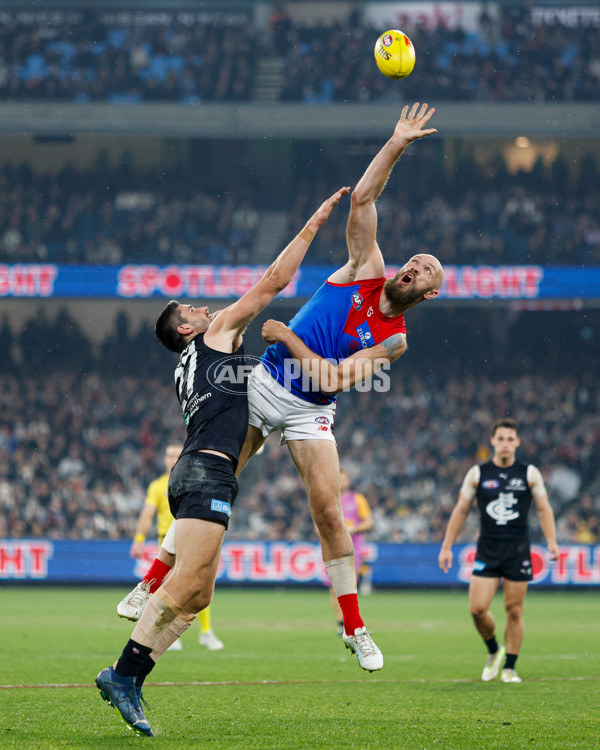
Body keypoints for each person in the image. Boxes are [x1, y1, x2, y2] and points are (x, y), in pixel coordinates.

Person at [117, 102, 443, 676]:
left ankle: (355, 627)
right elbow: (365, 199)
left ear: (429, 294)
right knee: (216, 479)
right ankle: (147, 585)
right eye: (414, 259)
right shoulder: (365, 267)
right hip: (262, 383)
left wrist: (288, 337)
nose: (413, 266)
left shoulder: (395, 340)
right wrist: (396, 143)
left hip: (311, 407)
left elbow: (334, 378)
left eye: (425, 271)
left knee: (328, 511)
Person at [95, 185, 350, 737]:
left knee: (199, 595)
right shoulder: (214, 336)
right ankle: (124, 674)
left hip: (199, 472)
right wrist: (313, 225)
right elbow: (273, 283)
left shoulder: (192, 360)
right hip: (207, 471)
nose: (204, 308)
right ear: (187, 329)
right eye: (192, 309)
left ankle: (129, 659)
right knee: (187, 589)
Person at [438, 418, 559, 684]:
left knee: (514, 610)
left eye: (509, 439)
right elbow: (461, 510)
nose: (505, 443)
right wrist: (446, 546)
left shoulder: (529, 473)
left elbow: (543, 508)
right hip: (488, 549)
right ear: (493, 441)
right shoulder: (478, 473)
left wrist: (551, 540)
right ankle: (494, 650)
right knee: (477, 609)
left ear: (517, 442)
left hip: (517, 549)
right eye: (500, 438)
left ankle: (510, 668)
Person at [118, 443, 224, 651]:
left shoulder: (196, 481)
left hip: (192, 537)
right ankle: (172, 633)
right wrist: (139, 538)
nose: (171, 459)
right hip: (166, 541)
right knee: (176, 586)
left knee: (197, 583)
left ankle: (205, 631)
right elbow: (147, 513)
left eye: (176, 455)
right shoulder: (157, 486)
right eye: (168, 455)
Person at [328, 469, 374, 636]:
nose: (342, 482)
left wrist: (355, 528)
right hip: (331, 547)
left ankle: (352, 622)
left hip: (352, 549)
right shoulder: (328, 499)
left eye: (344, 479)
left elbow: (369, 522)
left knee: (349, 585)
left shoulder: (357, 499)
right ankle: (341, 624)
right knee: (334, 587)